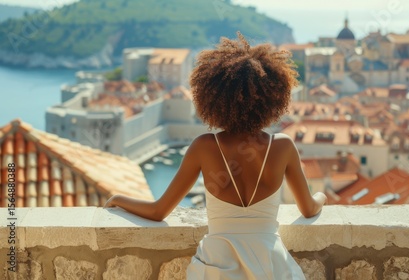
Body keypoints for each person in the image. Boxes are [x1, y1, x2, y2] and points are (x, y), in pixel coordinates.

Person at [104, 32, 327, 279]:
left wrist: (118, 199)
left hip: (217, 267)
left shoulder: (204, 146)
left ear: (212, 98)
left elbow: (158, 211)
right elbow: (308, 209)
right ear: (273, 98)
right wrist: (322, 196)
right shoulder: (283, 146)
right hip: (270, 265)